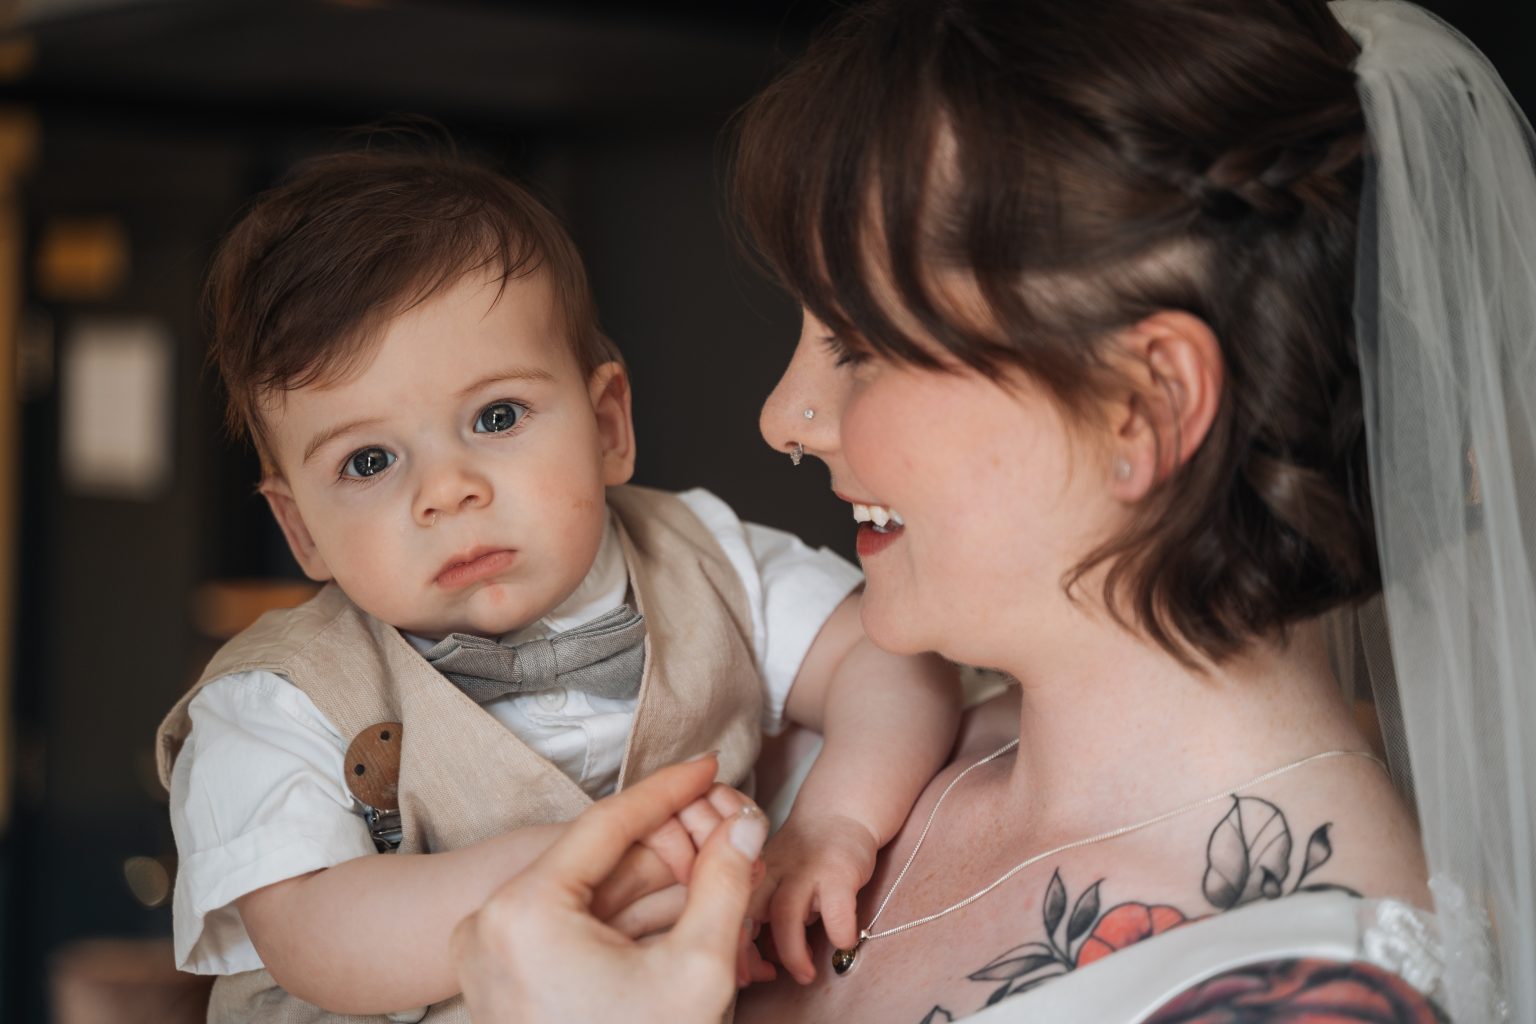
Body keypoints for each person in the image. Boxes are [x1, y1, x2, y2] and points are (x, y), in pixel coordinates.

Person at [454, 0, 1536, 1021]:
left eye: (860, 345)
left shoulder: (1304, 996)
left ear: (1143, 407)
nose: (786, 416)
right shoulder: (844, 751)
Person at [153, 149, 960, 1021]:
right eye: (369, 460)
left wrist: (835, 823)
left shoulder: (708, 559)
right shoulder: (274, 700)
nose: (446, 490)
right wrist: (581, 869)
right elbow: (315, 937)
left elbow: (893, 663)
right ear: (300, 526)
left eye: (496, 417)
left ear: (609, 423)